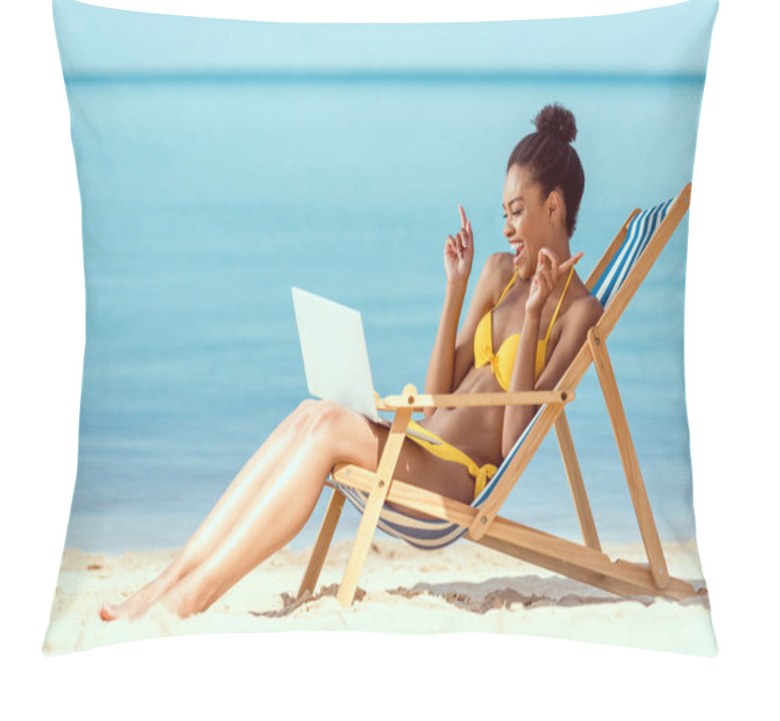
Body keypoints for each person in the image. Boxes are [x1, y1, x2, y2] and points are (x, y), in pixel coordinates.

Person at [100, 103, 603, 622]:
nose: (507, 229)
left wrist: (538, 314)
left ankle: (189, 599)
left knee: (327, 426)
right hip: (423, 444)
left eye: (516, 211)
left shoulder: (580, 312)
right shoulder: (498, 273)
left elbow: (514, 442)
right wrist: (454, 290)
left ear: (554, 206)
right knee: (310, 413)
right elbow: (440, 393)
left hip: (457, 479)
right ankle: (167, 582)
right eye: (503, 214)